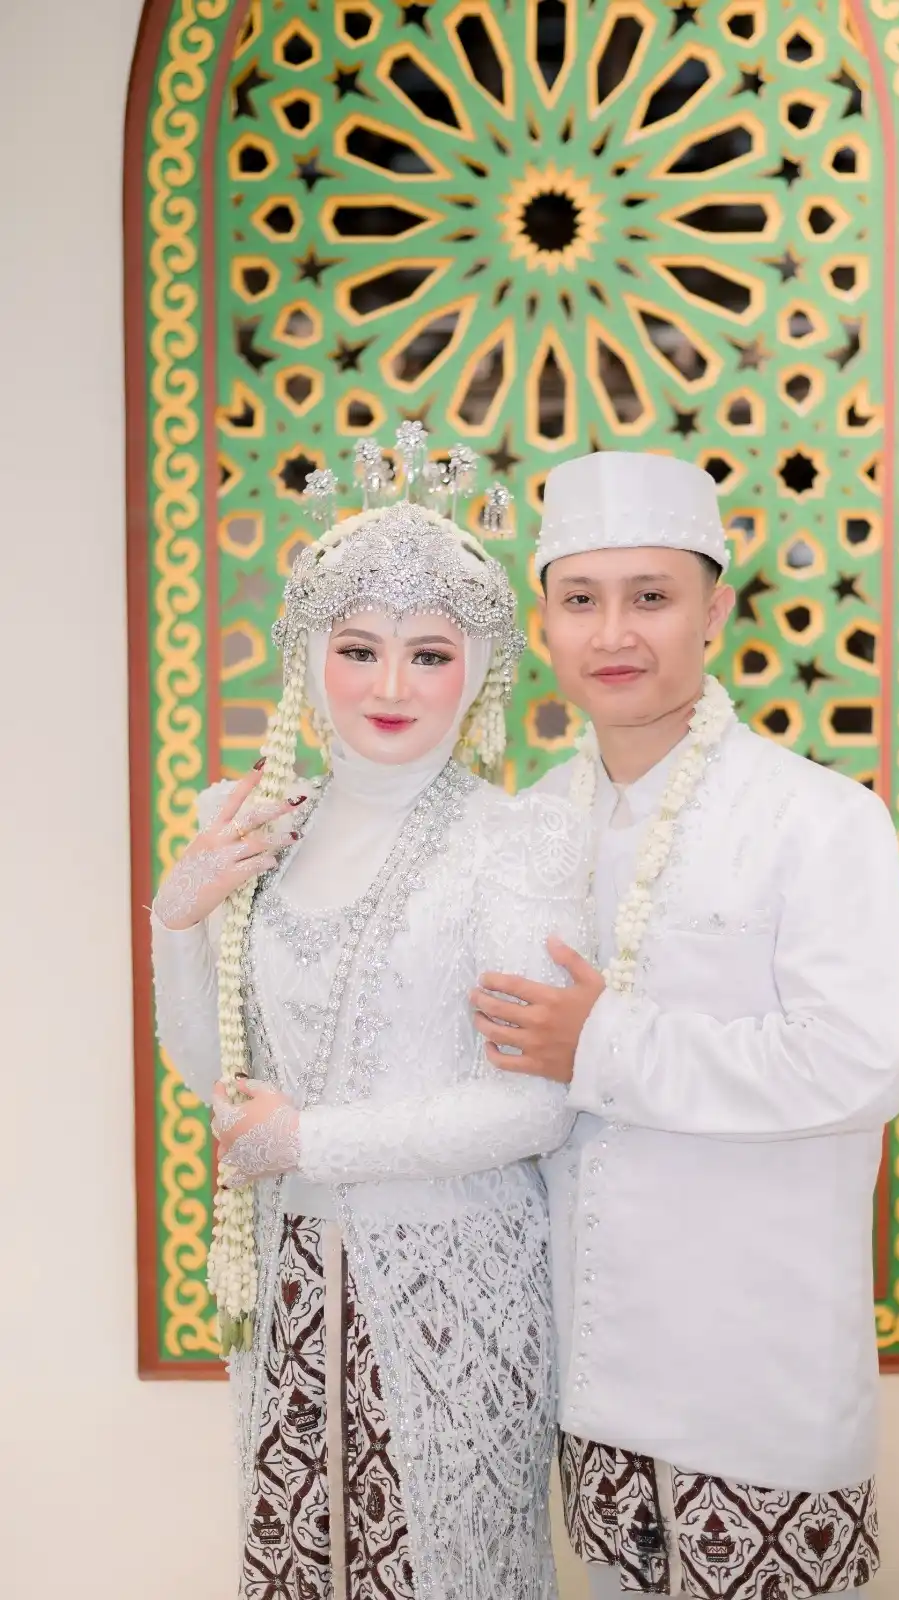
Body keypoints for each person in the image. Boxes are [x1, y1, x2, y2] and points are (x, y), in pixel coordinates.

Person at [470, 450, 899, 1599]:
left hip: (757, 1388)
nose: (615, 631)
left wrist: (603, 1043)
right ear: (546, 620)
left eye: (652, 596)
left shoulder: (819, 820)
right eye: (582, 598)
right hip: (594, 1392)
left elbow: (861, 1062)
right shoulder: (529, 828)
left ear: (714, 611)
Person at [151, 426, 591, 1600]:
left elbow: (536, 1106)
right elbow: (214, 1075)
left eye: (429, 653)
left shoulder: (516, 843)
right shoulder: (261, 821)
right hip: (294, 1284)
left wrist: (312, 1139)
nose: (392, 687)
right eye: (358, 648)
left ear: (479, 669)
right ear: (309, 657)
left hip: (458, 1291)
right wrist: (178, 920)